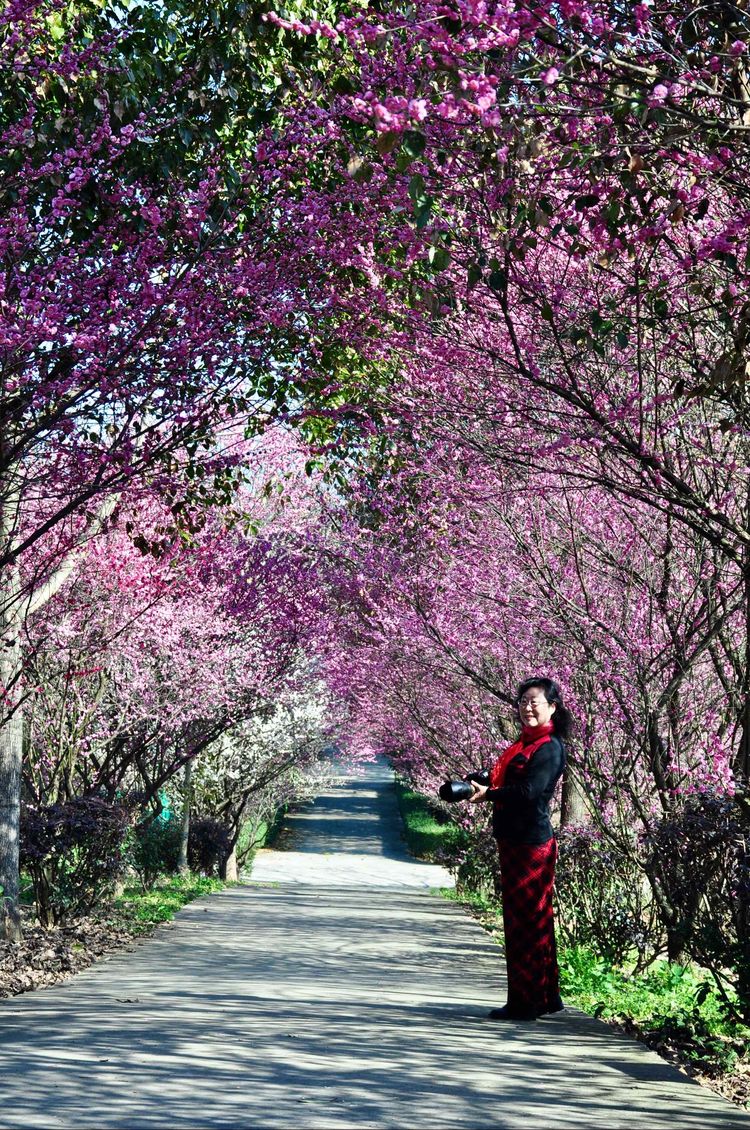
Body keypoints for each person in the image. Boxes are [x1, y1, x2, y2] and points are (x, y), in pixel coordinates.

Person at [469, 676, 570, 1021]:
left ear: (552, 707)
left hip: (531, 843)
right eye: (523, 701)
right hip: (512, 840)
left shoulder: (549, 746)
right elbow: (509, 778)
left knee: (524, 922)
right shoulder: (522, 744)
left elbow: (529, 792)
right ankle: (546, 996)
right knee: (532, 919)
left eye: (535, 702)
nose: (527, 707)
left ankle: (524, 1003)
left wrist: (490, 794)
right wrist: (485, 781)